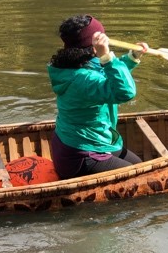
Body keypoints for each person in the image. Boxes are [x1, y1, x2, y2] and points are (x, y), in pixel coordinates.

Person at [47, 14, 149, 179]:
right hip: (80, 154)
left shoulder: (74, 63)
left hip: (90, 142)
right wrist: (106, 57)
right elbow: (125, 91)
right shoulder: (82, 79)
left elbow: (107, 75)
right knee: (137, 176)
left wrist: (132, 57)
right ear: (92, 48)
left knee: (140, 166)